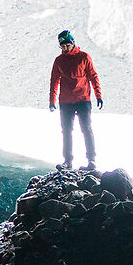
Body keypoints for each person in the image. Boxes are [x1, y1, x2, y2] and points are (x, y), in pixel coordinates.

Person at [48, 29, 103, 170]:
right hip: (65, 102)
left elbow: (93, 76)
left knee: (86, 129)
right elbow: (54, 81)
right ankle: (68, 161)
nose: (65, 48)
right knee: (66, 131)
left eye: (67, 45)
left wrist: (98, 95)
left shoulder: (84, 57)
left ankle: (92, 160)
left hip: (83, 99)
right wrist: (52, 101)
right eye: (62, 46)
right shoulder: (59, 61)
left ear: (73, 43)